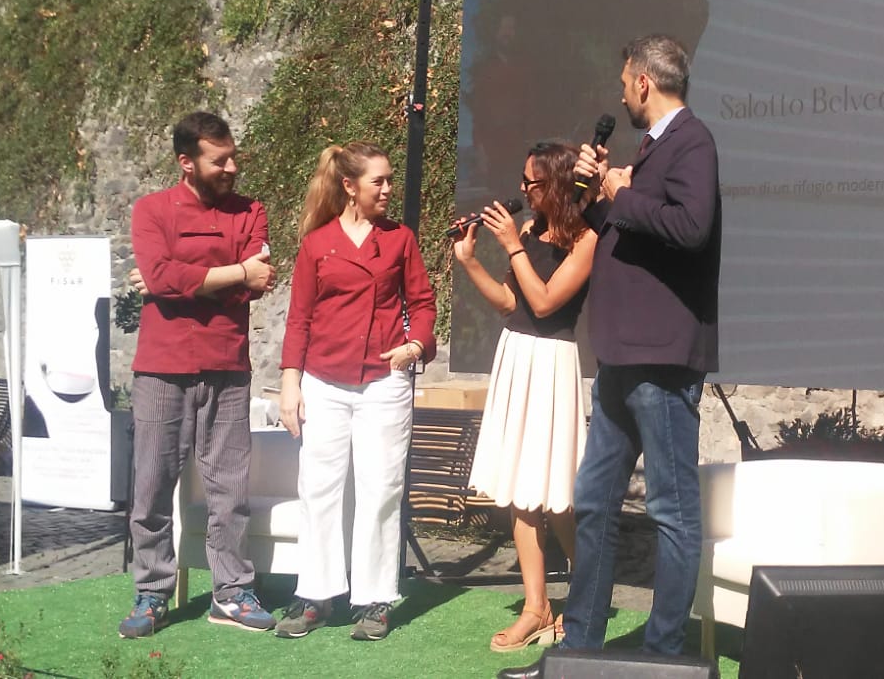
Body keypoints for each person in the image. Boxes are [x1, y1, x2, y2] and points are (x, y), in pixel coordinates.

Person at [499, 34, 721, 678]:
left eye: (625, 82)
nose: (621, 94)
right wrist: (600, 195)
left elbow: (691, 227)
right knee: (593, 501)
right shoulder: (650, 151)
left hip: (662, 359)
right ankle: (580, 650)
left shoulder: (692, 141)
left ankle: (662, 658)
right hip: (622, 358)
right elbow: (631, 233)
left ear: (645, 82)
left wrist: (621, 193)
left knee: (671, 511)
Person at [120, 111, 277, 638]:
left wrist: (180, 283)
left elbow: (257, 282)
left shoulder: (251, 210)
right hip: (161, 369)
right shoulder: (151, 210)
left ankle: (231, 592)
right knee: (151, 486)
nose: (231, 167)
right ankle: (152, 592)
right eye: (219, 160)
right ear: (186, 163)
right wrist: (234, 273)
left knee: (230, 489)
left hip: (228, 366)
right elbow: (162, 275)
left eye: (233, 157)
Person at [274, 143, 437, 642]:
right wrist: (290, 382)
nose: (388, 189)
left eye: (389, 180)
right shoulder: (316, 244)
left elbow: (423, 303)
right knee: (318, 489)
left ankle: (375, 599)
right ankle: (315, 596)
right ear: (349, 186)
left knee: (381, 490)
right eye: (377, 181)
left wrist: (415, 345)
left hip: (384, 383)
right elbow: (299, 319)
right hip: (323, 382)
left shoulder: (400, 239)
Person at [454, 141, 595, 653]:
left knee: (556, 492)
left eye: (530, 183)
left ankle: (586, 600)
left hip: (552, 363)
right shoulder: (531, 231)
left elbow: (547, 301)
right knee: (520, 489)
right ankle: (536, 608)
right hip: (516, 355)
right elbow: (512, 303)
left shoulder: (586, 238)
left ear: (555, 184)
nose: (522, 190)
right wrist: (470, 262)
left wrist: (513, 245)